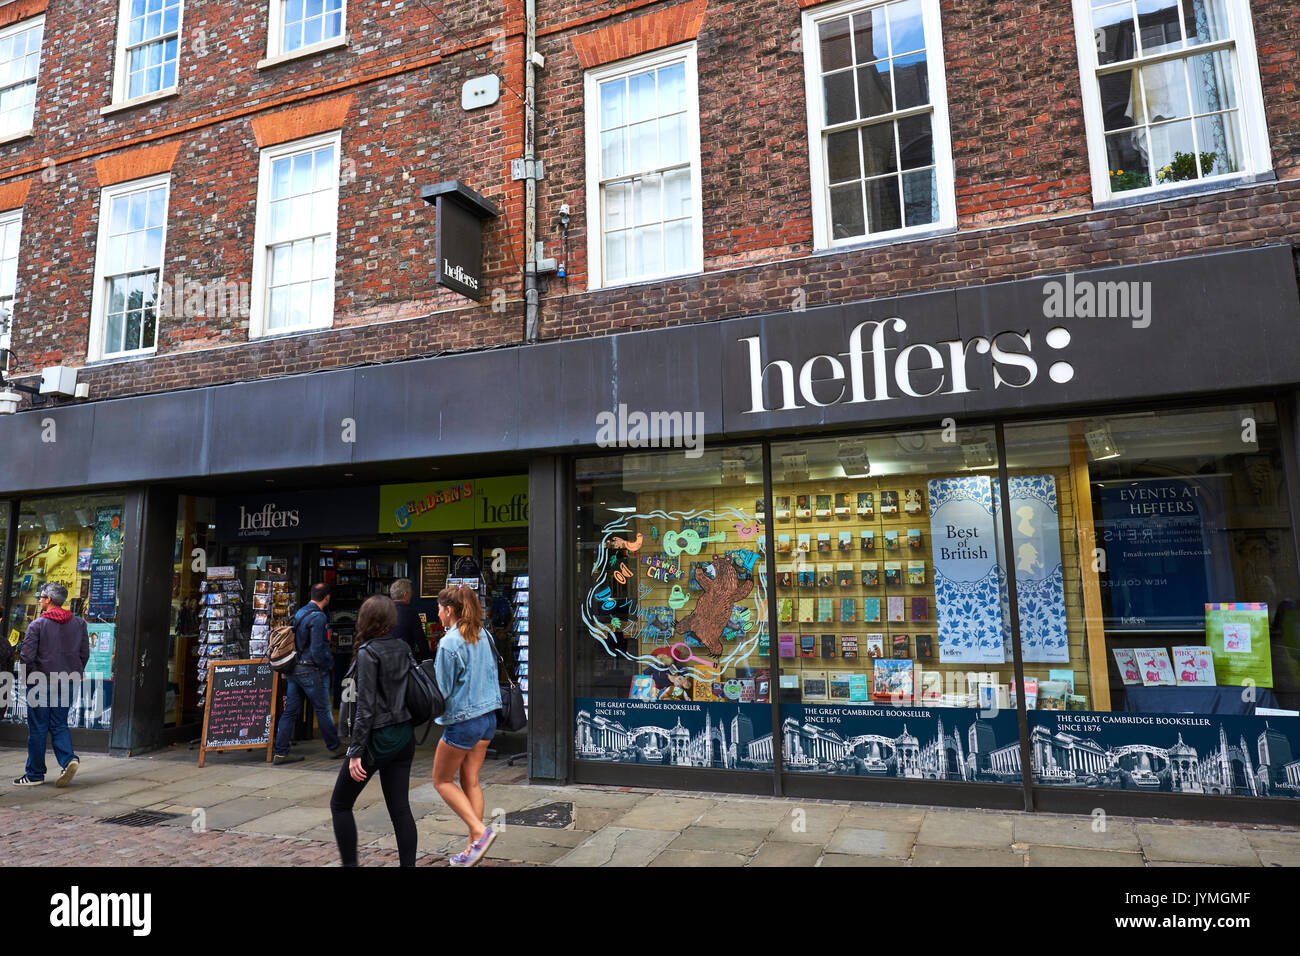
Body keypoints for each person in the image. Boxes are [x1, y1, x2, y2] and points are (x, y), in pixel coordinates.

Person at [331, 595, 418, 867]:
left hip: (377, 741)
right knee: (401, 810)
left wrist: (355, 752)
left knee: (340, 805)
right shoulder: (402, 647)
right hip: (404, 736)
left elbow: (365, 708)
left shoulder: (369, 652)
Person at [432, 584, 503, 866]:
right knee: (470, 781)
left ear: (449, 610)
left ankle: (480, 832)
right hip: (488, 718)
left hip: (463, 720)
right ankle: (474, 850)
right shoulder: (482, 634)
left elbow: (443, 690)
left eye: (439, 608)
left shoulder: (449, 642)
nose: (437, 614)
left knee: (441, 780)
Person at [14, 583, 88, 787]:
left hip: (40, 682)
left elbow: (26, 657)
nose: (39, 599)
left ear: (48, 600)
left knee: (37, 727)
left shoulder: (37, 625)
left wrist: (24, 679)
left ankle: (35, 774)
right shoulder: (79, 624)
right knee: (59, 723)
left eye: (41, 596)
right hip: (68, 680)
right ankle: (68, 760)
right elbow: (84, 654)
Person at [272, 583, 344, 764]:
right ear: (327, 597)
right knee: (323, 709)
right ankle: (335, 746)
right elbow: (318, 649)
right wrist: (328, 665)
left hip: (294, 669)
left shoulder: (300, 612)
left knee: (290, 712)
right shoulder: (318, 618)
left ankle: (281, 752)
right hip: (310, 670)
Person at [389, 578, 431, 661]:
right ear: (405, 595)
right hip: (404, 661)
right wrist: (428, 660)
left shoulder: (383, 610)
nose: (411, 595)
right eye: (411, 592)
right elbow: (421, 641)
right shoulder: (411, 613)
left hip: (385, 660)